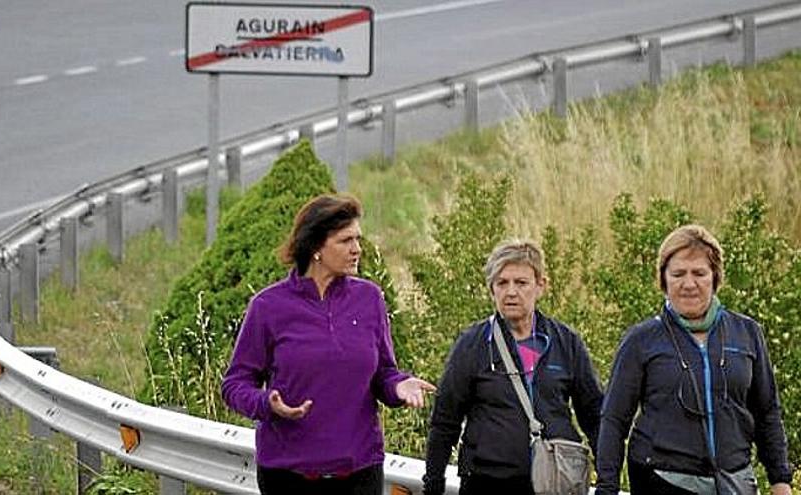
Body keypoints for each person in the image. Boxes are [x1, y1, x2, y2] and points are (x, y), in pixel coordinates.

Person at [221, 193, 435, 495]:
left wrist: (399, 387)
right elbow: (234, 384)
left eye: (358, 239)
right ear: (316, 247)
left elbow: (383, 374)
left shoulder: (369, 299)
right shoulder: (268, 306)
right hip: (288, 476)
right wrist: (266, 403)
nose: (357, 249)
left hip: (361, 473)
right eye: (346, 241)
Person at [596, 224, 793, 495]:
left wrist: (780, 479)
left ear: (715, 277)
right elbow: (614, 420)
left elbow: (767, 411)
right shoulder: (641, 340)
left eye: (699, 273)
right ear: (664, 280)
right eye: (678, 274)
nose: (689, 284)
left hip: (734, 482)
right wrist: (607, 488)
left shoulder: (747, 333)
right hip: (662, 480)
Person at [423, 239, 603, 495]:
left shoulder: (565, 342)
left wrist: (607, 479)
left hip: (554, 480)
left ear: (541, 286)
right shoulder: (473, 345)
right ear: (491, 289)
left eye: (521, 283)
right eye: (502, 283)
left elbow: (594, 415)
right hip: (488, 480)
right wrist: (433, 483)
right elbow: (444, 421)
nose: (510, 292)